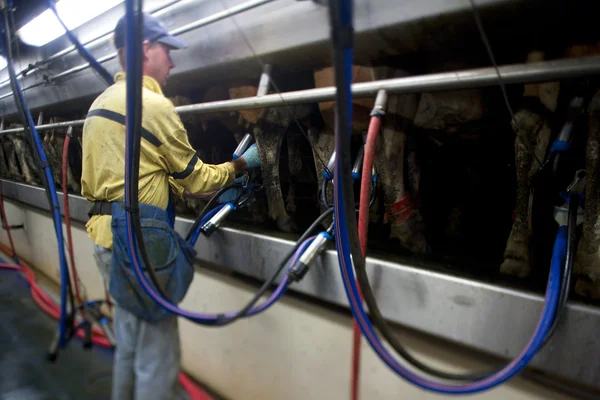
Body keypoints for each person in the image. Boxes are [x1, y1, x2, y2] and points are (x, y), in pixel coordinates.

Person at [81, 13, 260, 400]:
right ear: (146, 49)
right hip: (138, 247)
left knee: (129, 343)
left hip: (104, 241)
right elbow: (196, 182)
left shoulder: (98, 106)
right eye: (167, 51)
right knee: (158, 356)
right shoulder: (151, 106)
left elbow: (131, 176)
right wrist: (242, 165)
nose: (173, 62)